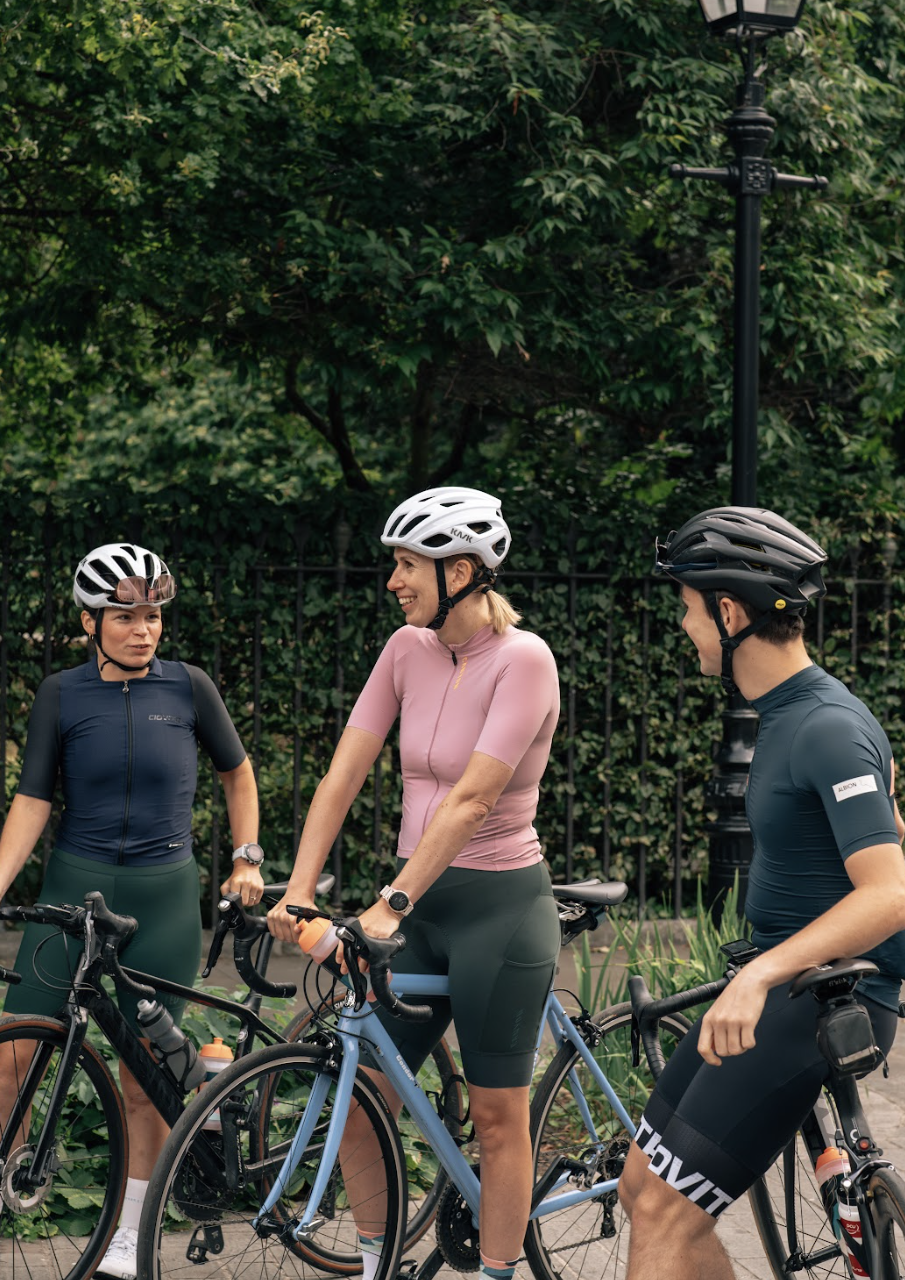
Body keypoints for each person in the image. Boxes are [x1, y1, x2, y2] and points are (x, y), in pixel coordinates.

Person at [0, 543, 264, 1280]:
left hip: (166, 898)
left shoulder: (190, 688)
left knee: (145, 1075)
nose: (144, 629)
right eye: (125, 616)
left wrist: (247, 856)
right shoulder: (62, 694)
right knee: (15, 1054)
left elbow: (238, 773)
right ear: (89, 621)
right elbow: (33, 799)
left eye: (152, 615)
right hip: (74, 887)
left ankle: (127, 1241)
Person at [619, 507, 905, 1280]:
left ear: (729, 613)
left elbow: (890, 897)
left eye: (688, 610)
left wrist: (758, 975)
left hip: (814, 1001)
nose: (684, 627)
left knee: (664, 1208)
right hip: (778, 987)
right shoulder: (792, 717)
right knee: (639, 1187)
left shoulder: (826, 725)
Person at [267, 486, 561, 1280]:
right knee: (362, 1102)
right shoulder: (406, 650)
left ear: (461, 570)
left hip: (499, 911)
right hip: (420, 910)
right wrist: (297, 890)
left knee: (500, 1121)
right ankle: (375, 1267)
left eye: (407, 565)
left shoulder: (525, 661)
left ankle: (499, 1272)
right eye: (394, 564)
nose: (393, 580)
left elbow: (471, 800)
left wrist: (388, 904)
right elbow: (345, 771)